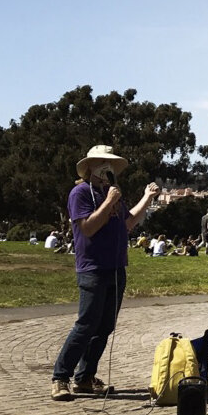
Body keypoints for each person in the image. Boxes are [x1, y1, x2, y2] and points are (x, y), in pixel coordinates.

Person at [51, 145, 160, 401]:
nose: (107, 169)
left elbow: (127, 223)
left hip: (116, 268)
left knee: (105, 326)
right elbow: (87, 228)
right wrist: (109, 201)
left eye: (109, 164)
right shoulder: (80, 193)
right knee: (86, 324)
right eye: (102, 163)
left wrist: (146, 198)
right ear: (89, 167)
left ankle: (85, 377)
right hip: (93, 269)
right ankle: (60, 377)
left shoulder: (110, 195)